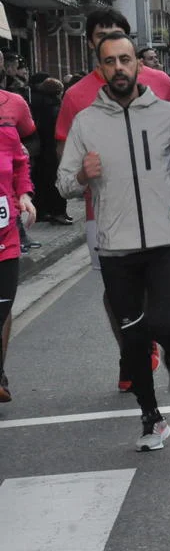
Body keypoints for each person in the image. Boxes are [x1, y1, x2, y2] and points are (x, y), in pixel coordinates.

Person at [56, 31, 170, 450]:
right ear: (100, 68)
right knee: (134, 337)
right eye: (110, 61)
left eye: (125, 59)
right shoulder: (86, 122)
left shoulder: (167, 114)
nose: (119, 68)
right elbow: (63, 183)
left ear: (137, 64)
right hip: (115, 247)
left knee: (163, 323)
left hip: (164, 241)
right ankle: (151, 418)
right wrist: (82, 175)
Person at [55, 7, 170, 392]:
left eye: (116, 34)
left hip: (156, 209)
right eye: (100, 35)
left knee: (152, 285)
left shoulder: (158, 82)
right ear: (92, 45)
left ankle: (146, 341)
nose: (109, 42)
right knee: (117, 292)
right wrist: (83, 174)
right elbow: (64, 151)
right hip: (104, 211)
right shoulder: (76, 95)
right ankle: (131, 351)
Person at [0, 54, 36, 402]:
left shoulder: (9, 119)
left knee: (3, 302)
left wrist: (24, 195)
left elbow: (22, 159)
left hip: (5, 230)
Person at [29, 76, 69, 225]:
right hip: (53, 150)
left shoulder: (39, 106)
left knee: (43, 182)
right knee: (57, 182)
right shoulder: (56, 108)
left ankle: (44, 211)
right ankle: (59, 212)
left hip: (42, 150)